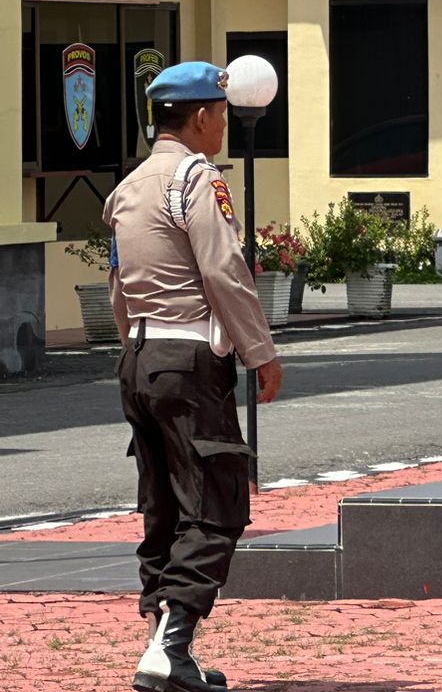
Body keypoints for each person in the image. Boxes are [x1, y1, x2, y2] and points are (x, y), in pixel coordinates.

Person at [104, 60, 284, 692]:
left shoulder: (128, 188)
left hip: (140, 360)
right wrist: (259, 350)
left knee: (163, 507)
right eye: (223, 114)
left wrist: (138, 352)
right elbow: (223, 270)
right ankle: (170, 644)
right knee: (215, 503)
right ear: (204, 116)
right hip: (189, 361)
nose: (225, 125)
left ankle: (163, 646)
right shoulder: (197, 179)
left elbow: (118, 287)